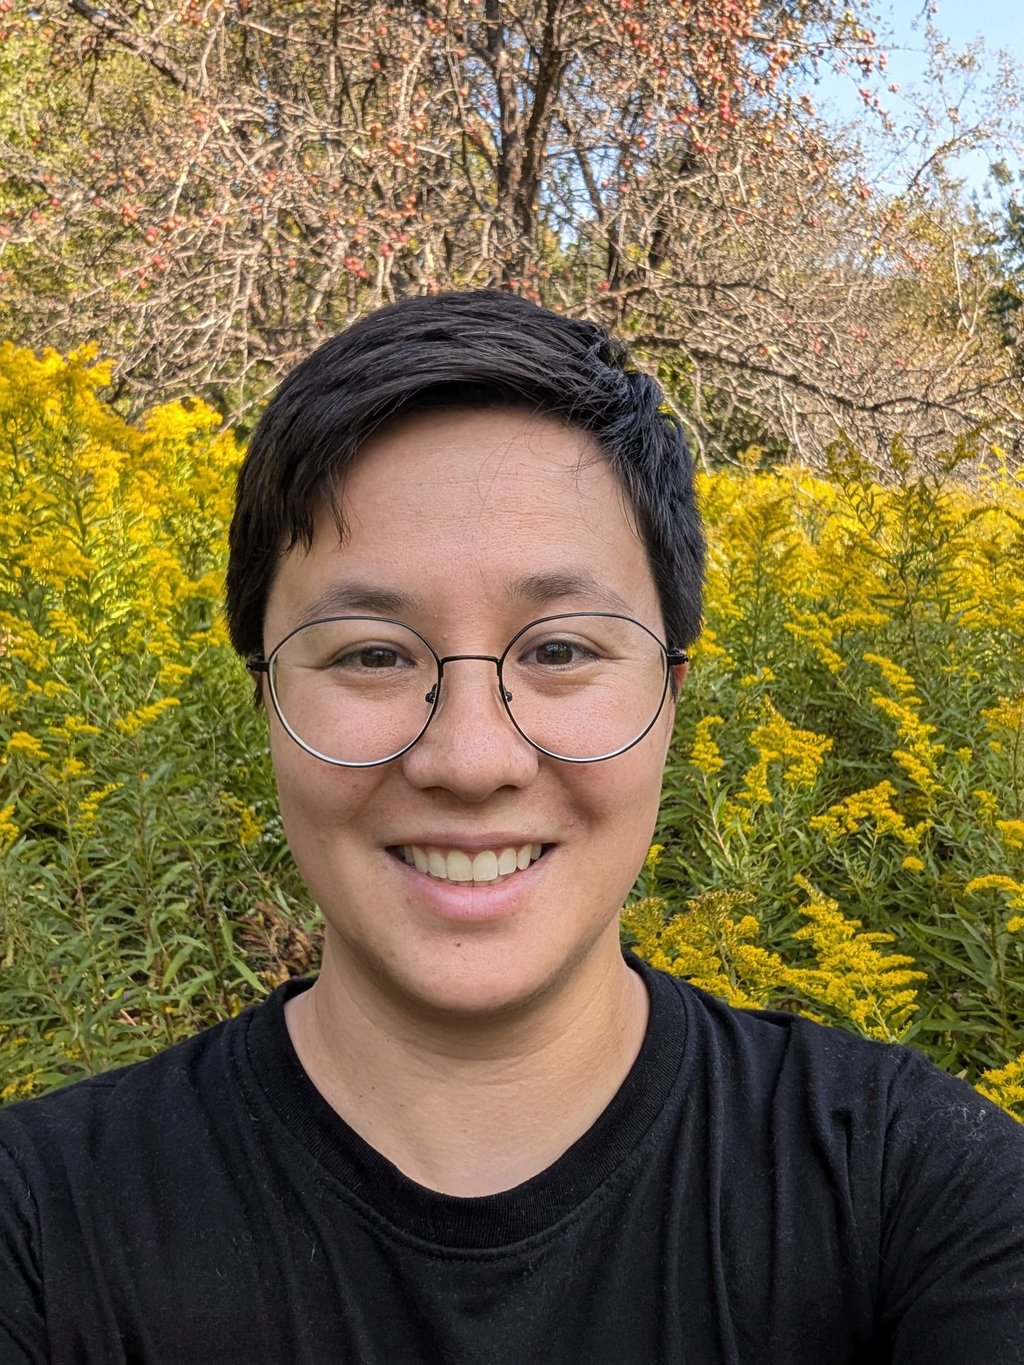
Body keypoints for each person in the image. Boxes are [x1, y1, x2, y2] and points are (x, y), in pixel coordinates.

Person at [0, 290, 1021, 1365]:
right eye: (371, 653)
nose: (472, 759)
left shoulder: (921, 1196)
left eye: (562, 650)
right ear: (266, 695)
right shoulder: (36, 1226)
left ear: (672, 693)